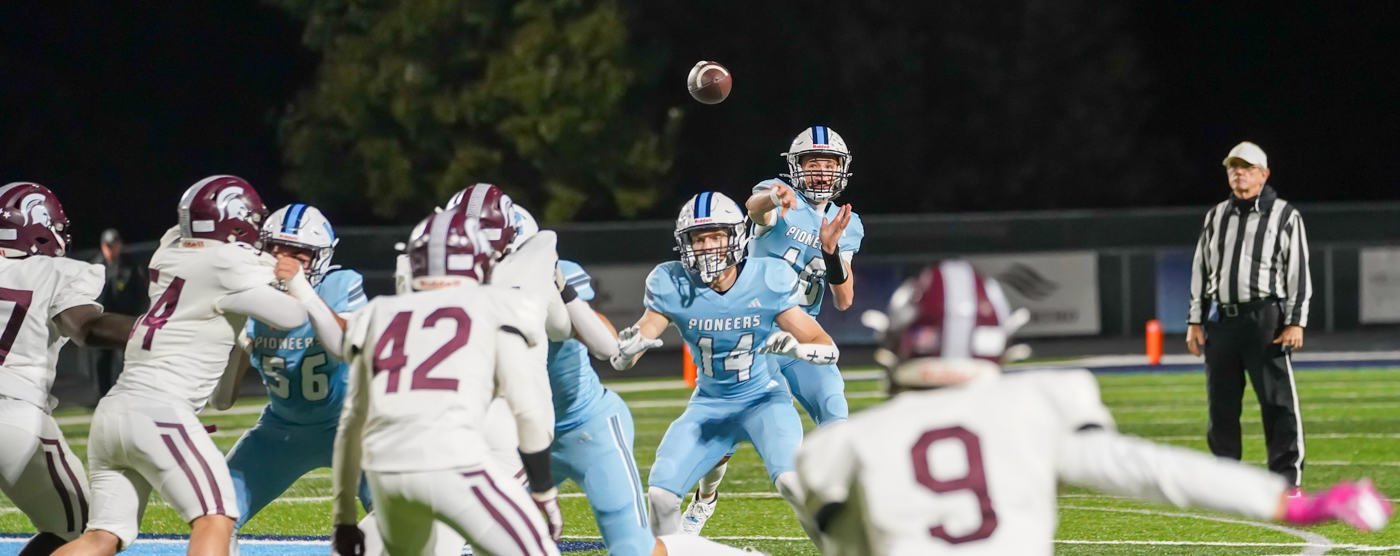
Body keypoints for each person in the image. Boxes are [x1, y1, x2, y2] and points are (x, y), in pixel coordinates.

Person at [796, 260, 1392, 555]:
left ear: (895, 342)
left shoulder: (838, 446)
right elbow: (1149, 469)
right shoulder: (1038, 403)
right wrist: (1287, 502)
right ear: (1000, 340)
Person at [51, 176, 312, 556]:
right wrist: (294, 278)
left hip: (115, 411)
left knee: (101, 537)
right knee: (215, 518)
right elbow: (292, 316)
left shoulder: (170, 248)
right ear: (238, 224)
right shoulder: (229, 262)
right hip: (160, 410)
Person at [329, 207, 562, 556]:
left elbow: (350, 426)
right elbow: (527, 411)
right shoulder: (494, 304)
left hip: (387, 473)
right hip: (454, 464)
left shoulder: (376, 313)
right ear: (480, 260)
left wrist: (344, 518)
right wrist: (543, 489)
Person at [611, 191, 839, 537]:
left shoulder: (768, 277)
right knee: (660, 496)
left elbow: (827, 348)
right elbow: (630, 351)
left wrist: (797, 349)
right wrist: (627, 350)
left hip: (764, 400)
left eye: (716, 236)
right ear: (685, 243)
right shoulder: (671, 282)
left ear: (735, 237)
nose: (707, 247)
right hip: (709, 404)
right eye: (698, 239)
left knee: (794, 485)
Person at [684, 126, 865, 534]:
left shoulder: (848, 223)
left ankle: (844, 509)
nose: (821, 172)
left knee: (834, 408)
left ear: (842, 169)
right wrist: (773, 198)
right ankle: (704, 499)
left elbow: (844, 298)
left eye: (829, 164)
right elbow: (755, 210)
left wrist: (831, 251)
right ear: (796, 167)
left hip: (801, 334)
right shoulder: (780, 196)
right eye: (813, 163)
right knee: (721, 435)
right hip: (752, 334)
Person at [209, 204, 374, 541]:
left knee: (397, 518)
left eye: (298, 257)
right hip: (280, 431)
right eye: (276, 253)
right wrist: (232, 343)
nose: (284, 265)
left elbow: (342, 345)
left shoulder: (340, 284)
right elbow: (222, 401)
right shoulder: (250, 297)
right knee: (215, 516)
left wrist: (304, 291)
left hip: (353, 426)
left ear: (320, 258)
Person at [0, 183, 136, 556]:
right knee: (86, 533)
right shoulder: (54, 271)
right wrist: (159, 331)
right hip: (12, 414)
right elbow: (85, 327)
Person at [1186, 141, 1311, 486]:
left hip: (1264, 319)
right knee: (1221, 406)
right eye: (1232, 167)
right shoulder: (1216, 216)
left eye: (1246, 167)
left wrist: (1296, 321)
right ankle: (1227, 482)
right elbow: (1201, 269)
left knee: (1277, 404)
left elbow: (1298, 272)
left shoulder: (1285, 215)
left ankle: (1286, 482)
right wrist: (1194, 320)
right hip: (1222, 321)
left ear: (1264, 174)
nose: (1238, 173)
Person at [87, 229, 147, 397]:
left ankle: (126, 395)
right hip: (101, 323)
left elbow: (141, 293)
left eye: (113, 246)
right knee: (101, 361)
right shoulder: (95, 267)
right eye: (108, 246)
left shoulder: (132, 266)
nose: (111, 250)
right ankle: (102, 396)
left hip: (124, 322)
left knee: (125, 361)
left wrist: (137, 319)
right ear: (102, 247)